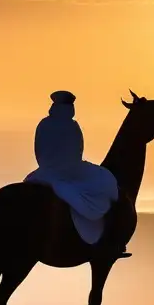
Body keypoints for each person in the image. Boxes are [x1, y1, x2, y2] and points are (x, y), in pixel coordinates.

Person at [24, 90, 129, 258]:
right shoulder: (72, 126)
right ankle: (110, 240)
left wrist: (49, 165)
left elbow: (39, 150)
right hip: (70, 169)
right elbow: (78, 151)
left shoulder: (44, 124)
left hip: (45, 170)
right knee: (106, 179)